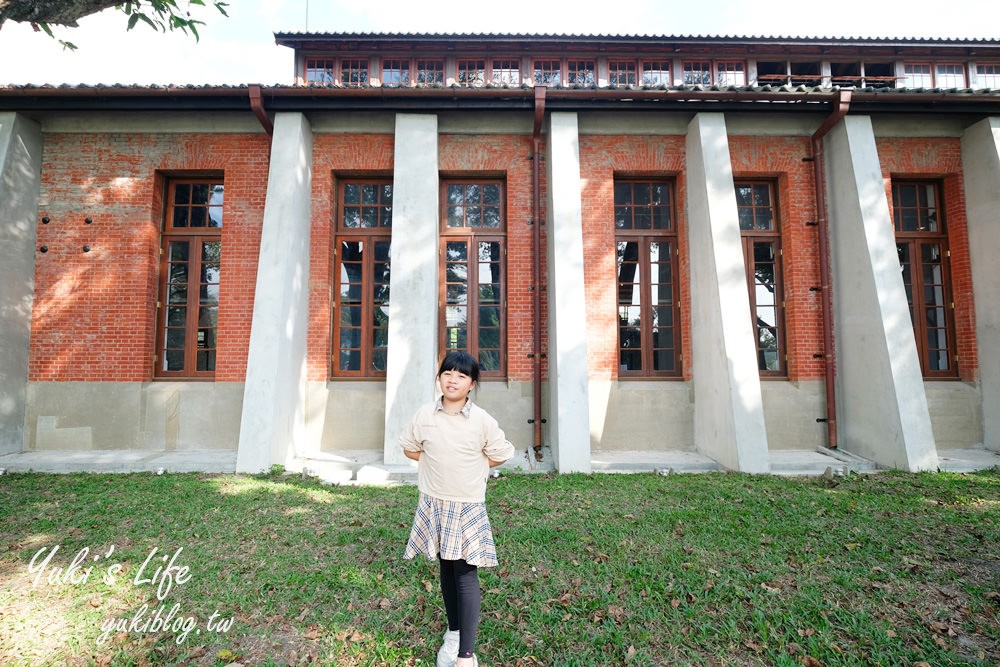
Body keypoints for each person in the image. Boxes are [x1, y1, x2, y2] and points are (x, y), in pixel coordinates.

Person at [401, 350, 515, 667]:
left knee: (465, 574)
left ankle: (466, 654)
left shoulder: (482, 421)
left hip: (466, 505)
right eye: (448, 373)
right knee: (446, 570)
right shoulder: (424, 415)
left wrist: (476, 467)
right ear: (439, 378)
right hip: (435, 502)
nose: (453, 379)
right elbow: (411, 448)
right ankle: (453, 634)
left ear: (472, 384)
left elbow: (502, 453)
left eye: (462, 375)